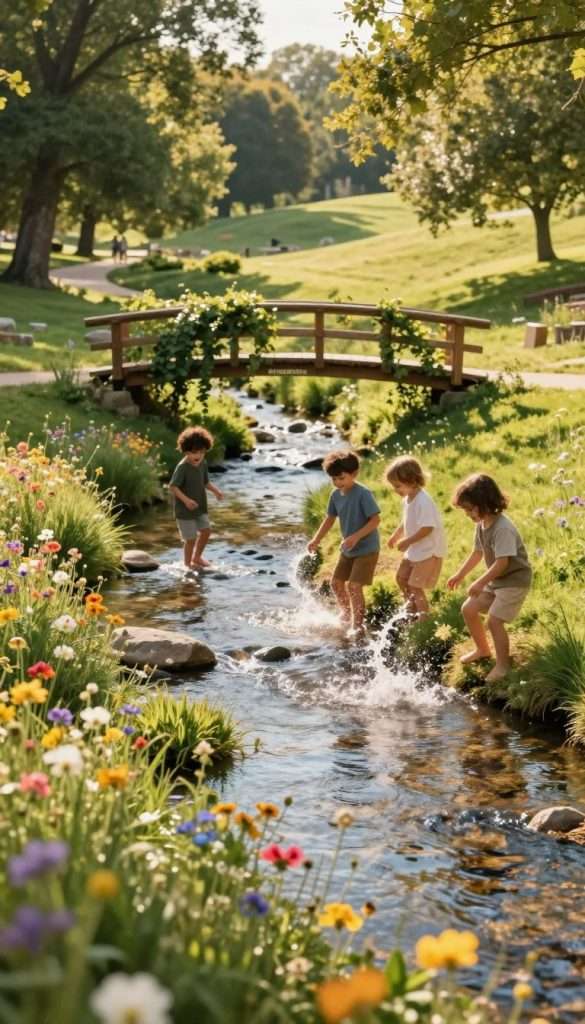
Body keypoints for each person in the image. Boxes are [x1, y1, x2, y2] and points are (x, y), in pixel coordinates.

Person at [447, 473, 532, 682]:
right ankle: (482, 650)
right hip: (498, 581)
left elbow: (502, 563)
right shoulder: (482, 524)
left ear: (485, 503)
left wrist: (480, 582)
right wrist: (460, 574)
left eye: (469, 508)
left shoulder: (503, 528)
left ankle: (503, 666)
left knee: (494, 621)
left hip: (514, 581)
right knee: (468, 608)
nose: (467, 514)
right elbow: (477, 553)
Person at [307, 450, 380, 635]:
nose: (338, 483)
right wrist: (316, 539)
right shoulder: (335, 495)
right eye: (334, 479)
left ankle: (358, 624)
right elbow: (330, 519)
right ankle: (346, 614)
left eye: (341, 478)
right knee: (336, 583)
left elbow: (375, 520)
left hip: (366, 548)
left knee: (354, 586)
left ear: (354, 474)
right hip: (348, 548)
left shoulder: (363, 494)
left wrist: (356, 537)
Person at [386, 455, 446, 619]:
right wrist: (396, 535)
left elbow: (427, 527)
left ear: (412, 481)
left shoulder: (423, 501)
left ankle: (423, 618)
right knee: (401, 578)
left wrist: (407, 540)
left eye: (398, 486)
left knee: (415, 585)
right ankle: (410, 607)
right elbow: (406, 521)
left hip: (428, 551)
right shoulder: (408, 499)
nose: (395, 490)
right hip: (416, 549)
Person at [169, 427, 224, 569]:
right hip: (184, 510)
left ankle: (197, 557)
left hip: (200, 507)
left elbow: (205, 482)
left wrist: (216, 491)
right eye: (194, 452)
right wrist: (186, 501)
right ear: (186, 451)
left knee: (206, 531)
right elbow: (173, 487)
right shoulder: (182, 468)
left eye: (201, 452)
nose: (198, 456)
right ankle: (187, 564)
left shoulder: (203, 464)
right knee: (190, 539)